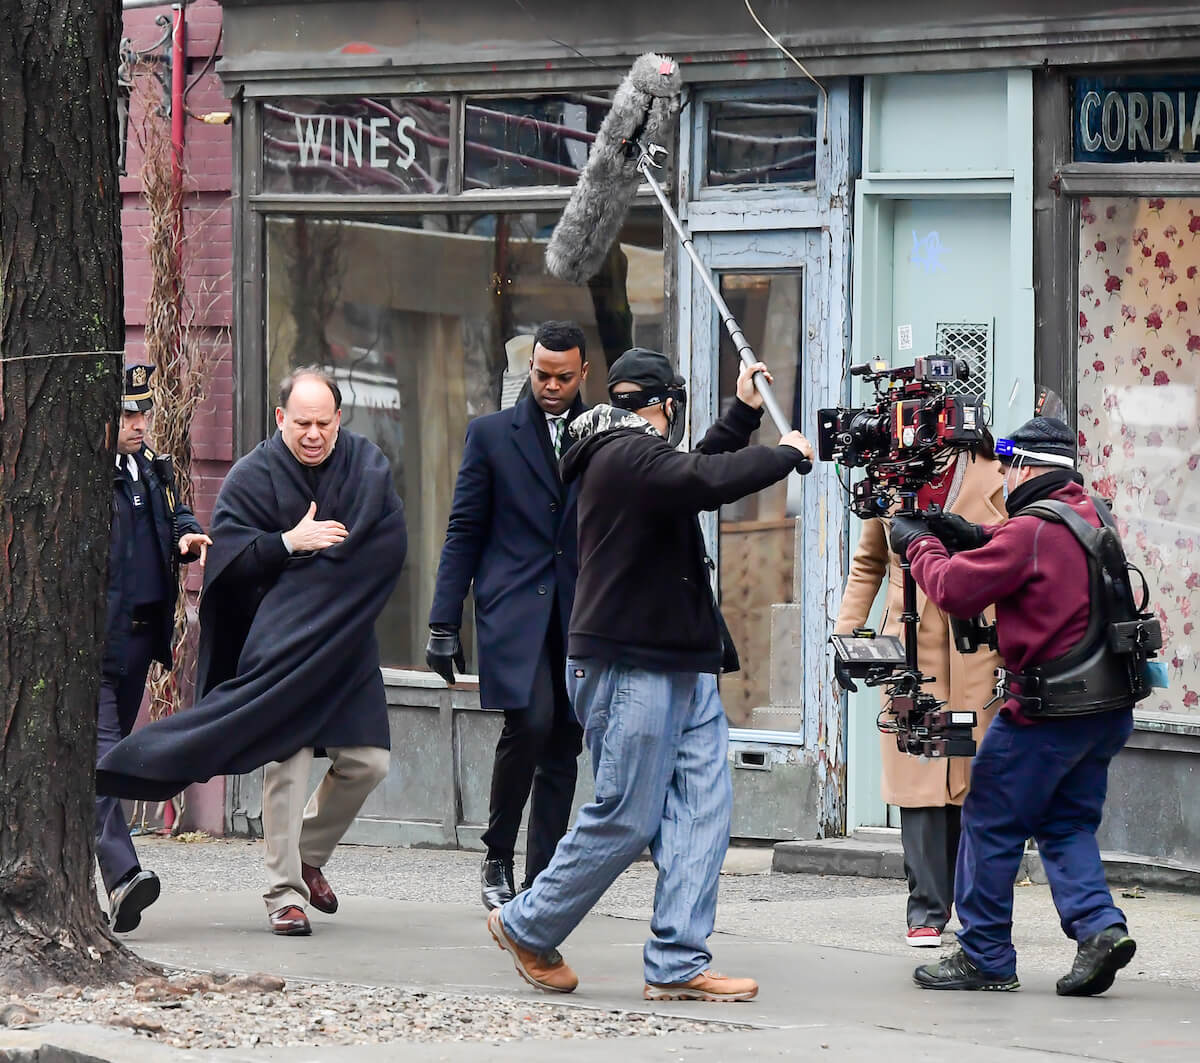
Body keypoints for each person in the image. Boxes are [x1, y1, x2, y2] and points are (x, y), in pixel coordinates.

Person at [486, 347, 813, 1002]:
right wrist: (784, 452)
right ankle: (526, 922)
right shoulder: (621, 454)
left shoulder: (637, 456)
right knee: (628, 814)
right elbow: (701, 479)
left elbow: (690, 471)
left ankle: (677, 960)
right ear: (663, 405)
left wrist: (744, 414)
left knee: (702, 812)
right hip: (628, 663)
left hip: (679, 662)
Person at [98, 366, 407, 937]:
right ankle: (284, 895)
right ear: (280, 418)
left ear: (339, 420)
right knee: (286, 766)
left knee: (369, 761)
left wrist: (317, 582)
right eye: (302, 423)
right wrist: (291, 545)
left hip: (344, 643)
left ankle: (309, 852)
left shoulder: (365, 466)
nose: (313, 435)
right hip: (280, 649)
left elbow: (380, 546)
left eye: (323, 423)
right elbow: (230, 563)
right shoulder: (253, 476)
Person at [889, 416, 1142, 995]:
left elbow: (953, 588)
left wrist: (921, 543)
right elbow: (1034, 564)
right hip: (1105, 709)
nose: (1002, 478)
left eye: (1007, 467)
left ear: (1027, 466)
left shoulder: (1030, 529)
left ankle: (985, 955)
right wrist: (970, 534)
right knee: (1066, 820)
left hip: (1046, 711)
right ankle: (1100, 929)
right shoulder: (1089, 514)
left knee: (989, 819)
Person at [427, 321, 589, 911]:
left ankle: (543, 877)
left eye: (563, 377)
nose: (550, 386)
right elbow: (464, 530)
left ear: (583, 374)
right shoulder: (492, 435)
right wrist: (443, 623)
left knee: (566, 738)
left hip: (579, 611)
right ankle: (497, 853)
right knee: (531, 722)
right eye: (541, 375)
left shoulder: (600, 434)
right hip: (514, 608)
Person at [834, 436, 1005, 948]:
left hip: (980, 644)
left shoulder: (997, 469)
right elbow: (868, 565)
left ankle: (980, 906)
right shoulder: (890, 477)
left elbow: (1020, 553)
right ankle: (927, 909)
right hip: (910, 646)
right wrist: (848, 636)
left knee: (975, 776)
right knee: (920, 775)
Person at [99, 364, 211, 933]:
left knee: (102, 758)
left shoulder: (150, 470)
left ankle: (80, 869)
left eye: (143, 412)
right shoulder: (90, 476)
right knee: (98, 754)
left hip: (141, 637)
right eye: (127, 413)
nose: (138, 423)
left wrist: (188, 535)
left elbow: (175, 514)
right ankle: (122, 876)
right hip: (96, 641)